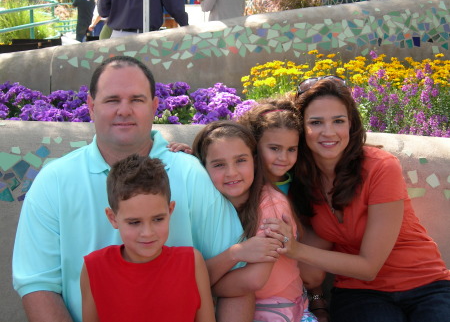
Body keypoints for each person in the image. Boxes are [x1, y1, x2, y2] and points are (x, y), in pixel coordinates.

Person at [12, 56, 273, 322]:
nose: (124, 110)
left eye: (136, 100)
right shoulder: (53, 182)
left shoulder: (190, 173)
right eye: (112, 100)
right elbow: (38, 286)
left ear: (154, 106)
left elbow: (237, 281)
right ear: (91, 106)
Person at [262, 76, 450, 322]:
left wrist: (295, 249)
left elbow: (369, 267)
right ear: (300, 129)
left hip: (425, 284)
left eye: (338, 121)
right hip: (360, 292)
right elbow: (251, 144)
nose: (328, 132)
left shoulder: (380, 167)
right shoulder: (298, 177)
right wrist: (196, 154)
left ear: (350, 124)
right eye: (316, 122)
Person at [191, 120, 318, 322]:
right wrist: (237, 253)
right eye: (219, 164)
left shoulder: (272, 207)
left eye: (240, 160)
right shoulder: (213, 202)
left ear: (255, 161)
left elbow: (253, 279)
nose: (231, 172)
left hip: (277, 306)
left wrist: (199, 288)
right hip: (232, 301)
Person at [80, 154, 215, 321]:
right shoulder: (94, 267)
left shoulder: (192, 262)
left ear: (170, 210)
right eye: (134, 222)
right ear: (112, 218)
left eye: (158, 219)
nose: (147, 233)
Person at [98, 0, 189, 38]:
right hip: (148, 36)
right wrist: (185, 25)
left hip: (118, 36)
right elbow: (174, 4)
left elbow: (103, 10)